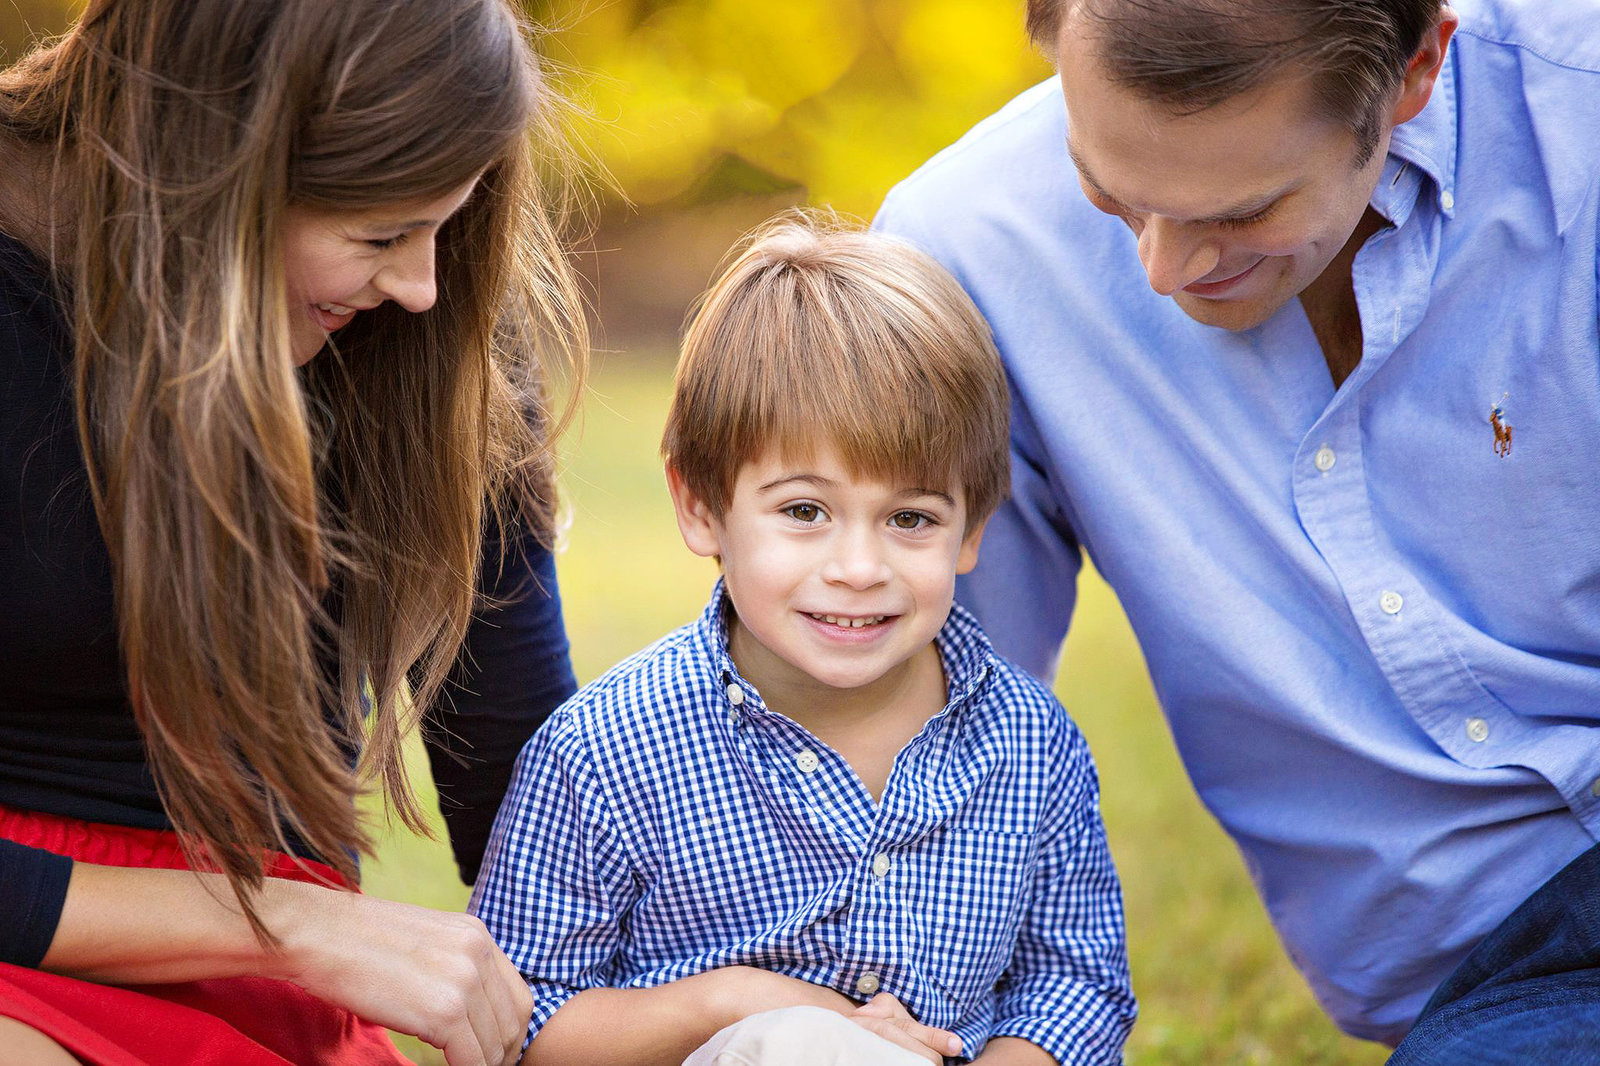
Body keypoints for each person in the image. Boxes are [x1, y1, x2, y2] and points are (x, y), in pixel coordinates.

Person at [873, 0, 1600, 1057]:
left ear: (1412, 72)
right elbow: (929, 732)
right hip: (1509, 986)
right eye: (1110, 196)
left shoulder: (1575, 115)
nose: (1162, 270)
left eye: (1243, 211)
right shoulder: (970, 258)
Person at [0, 1, 589, 1063]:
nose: (422, 286)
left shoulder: (423, 319)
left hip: (289, 1003)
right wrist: (284, 926)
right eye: (379, 236)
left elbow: (519, 776)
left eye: (445, 226)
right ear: (218, 166)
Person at [470, 214, 1136, 1066]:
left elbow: (1075, 988)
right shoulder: (606, 755)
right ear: (701, 505)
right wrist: (732, 1000)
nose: (858, 567)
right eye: (804, 511)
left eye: (910, 518)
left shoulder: (1030, 746)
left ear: (972, 529)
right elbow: (514, 1023)